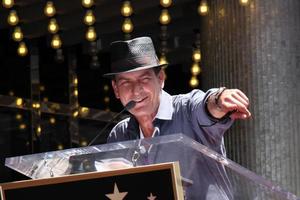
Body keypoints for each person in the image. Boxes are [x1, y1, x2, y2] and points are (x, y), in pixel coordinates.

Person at [103, 36, 251, 200]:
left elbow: (205, 107)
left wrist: (219, 99)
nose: (136, 91)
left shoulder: (187, 110)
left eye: (144, 79)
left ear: (160, 79)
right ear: (116, 89)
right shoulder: (119, 134)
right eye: (125, 83)